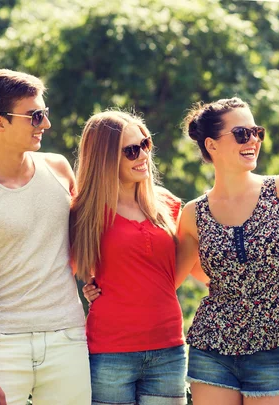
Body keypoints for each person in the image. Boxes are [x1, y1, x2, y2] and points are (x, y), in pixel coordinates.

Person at [0, 69, 90, 405]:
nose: (45, 124)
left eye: (45, 113)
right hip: (0, 345)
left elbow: (84, 243)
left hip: (66, 339)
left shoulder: (59, 169)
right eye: (35, 116)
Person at [175, 97, 279, 405]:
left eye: (256, 131)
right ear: (212, 145)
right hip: (211, 349)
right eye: (242, 134)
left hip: (275, 347)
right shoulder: (194, 213)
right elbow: (174, 276)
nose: (254, 141)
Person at [71, 111, 187, 405]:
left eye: (145, 144)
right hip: (110, 352)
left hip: (168, 349)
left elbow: (191, 267)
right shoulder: (84, 213)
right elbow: (56, 268)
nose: (143, 155)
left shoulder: (168, 205)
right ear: (105, 157)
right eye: (131, 150)